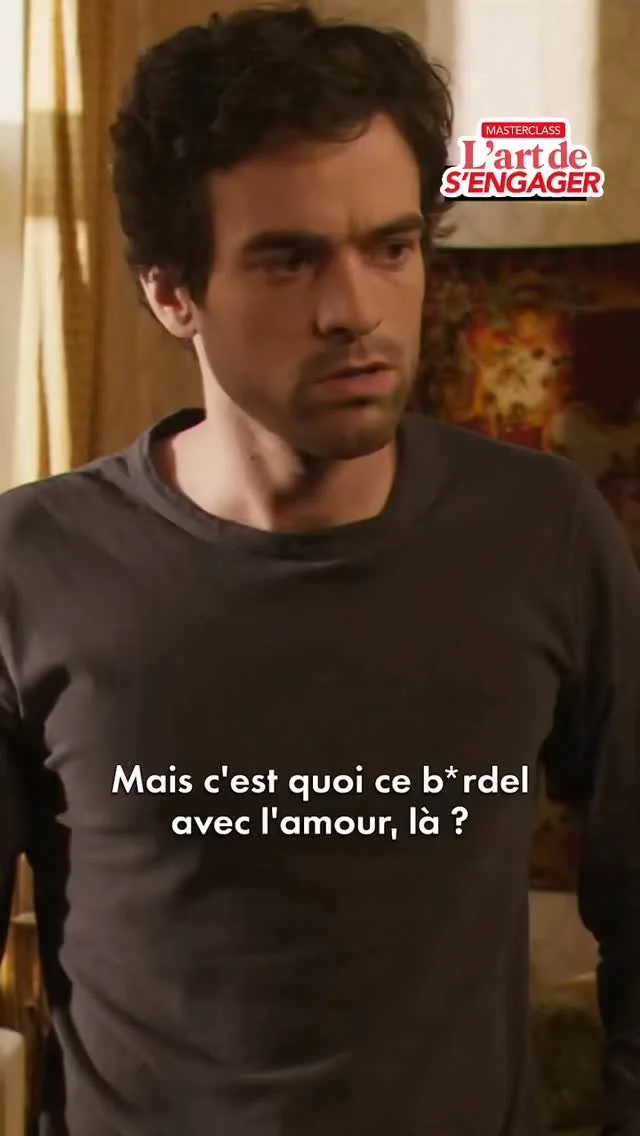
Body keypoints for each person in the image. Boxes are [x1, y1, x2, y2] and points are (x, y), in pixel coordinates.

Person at [1, 5, 639, 1134]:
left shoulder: (542, 530)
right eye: (288, 260)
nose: (355, 311)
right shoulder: (32, 566)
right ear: (171, 289)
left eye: (391, 247)